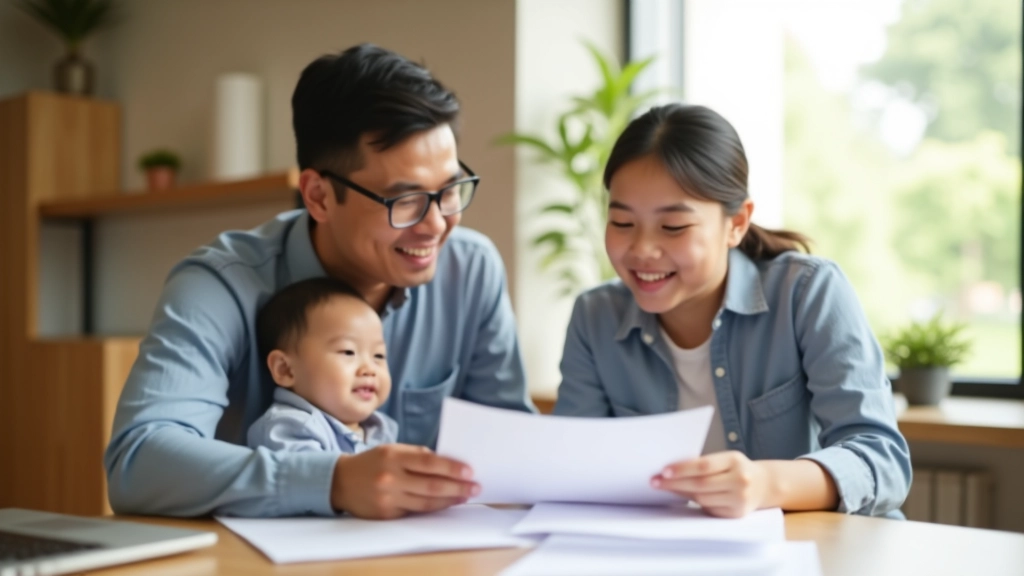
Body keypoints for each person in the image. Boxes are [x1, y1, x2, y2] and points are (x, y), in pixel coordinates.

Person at [104, 43, 534, 520]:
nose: (436, 225)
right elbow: (138, 461)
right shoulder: (220, 285)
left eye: (450, 189)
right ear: (319, 196)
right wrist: (333, 481)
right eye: (406, 200)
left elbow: (516, 452)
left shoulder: (470, 272)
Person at [553, 104, 911, 519]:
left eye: (673, 227)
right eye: (621, 222)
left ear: (737, 222)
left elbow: (882, 462)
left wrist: (764, 485)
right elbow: (572, 470)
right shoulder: (595, 316)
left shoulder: (808, 292)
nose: (642, 251)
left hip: (812, 552)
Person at [247, 277, 398, 454]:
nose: (369, 370)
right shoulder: (289, 428)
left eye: (378, 355)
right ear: (285, 369)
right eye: (348, 352)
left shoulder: (382, 429)